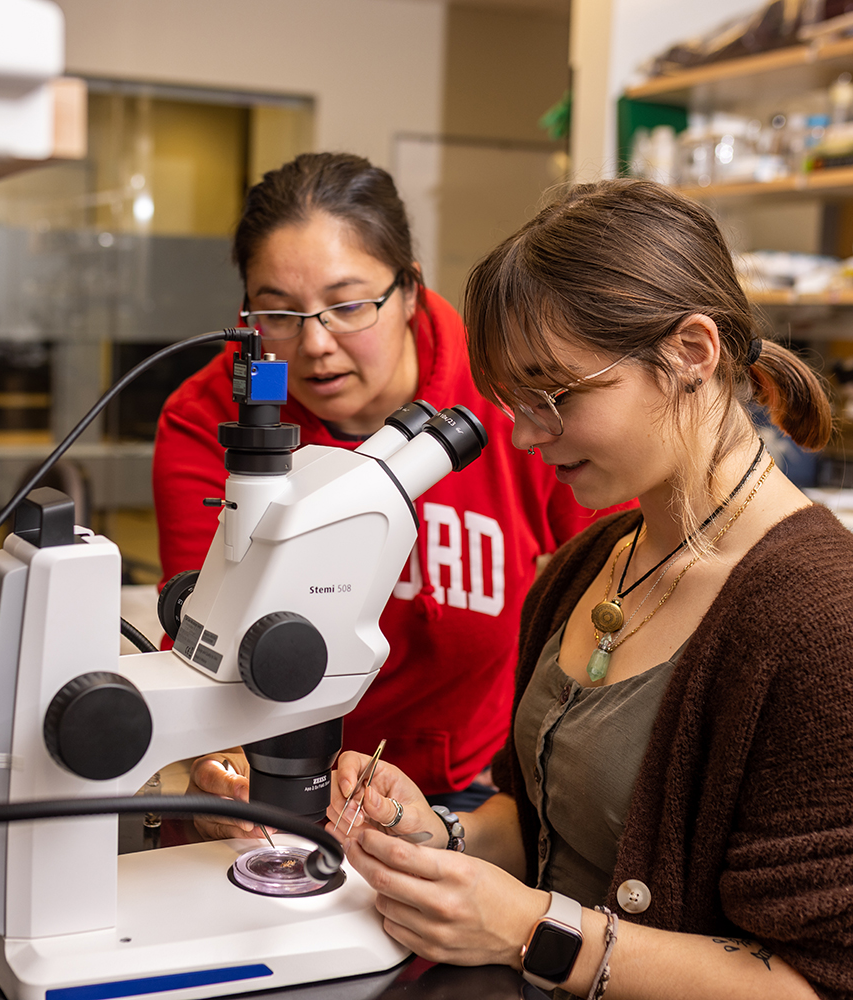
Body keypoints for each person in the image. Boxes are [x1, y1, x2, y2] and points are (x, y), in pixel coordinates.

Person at [326, 180, 853, 1000]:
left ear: (693, 352)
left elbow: (849, 984)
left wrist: (532, 932)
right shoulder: (598, 559)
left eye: (554, 396)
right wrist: (439, 834)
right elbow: (553, 831)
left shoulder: (819, 617)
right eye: (515, 402)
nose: (526, 435)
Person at [153, 153, 629, 829]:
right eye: (278, 314)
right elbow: (206, 643)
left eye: (348, 305)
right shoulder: (206, 419)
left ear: (409, 291)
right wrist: (220, 769)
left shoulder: (505, 395)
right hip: (266, 783)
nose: (315, 345)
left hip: (466, 791)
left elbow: (624, 578)